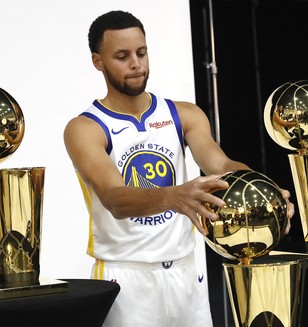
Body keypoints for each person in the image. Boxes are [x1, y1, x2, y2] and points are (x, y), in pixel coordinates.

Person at [63, 10, 294, 327]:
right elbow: (114, 198)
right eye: (122, 56)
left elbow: (221, 165)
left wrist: (259, 187)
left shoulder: (182, 114)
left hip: (186, 273)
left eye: (141, 53)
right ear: (98, 61)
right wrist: (174, 196)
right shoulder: (85, 128)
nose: (136, 64)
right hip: (127, 276)